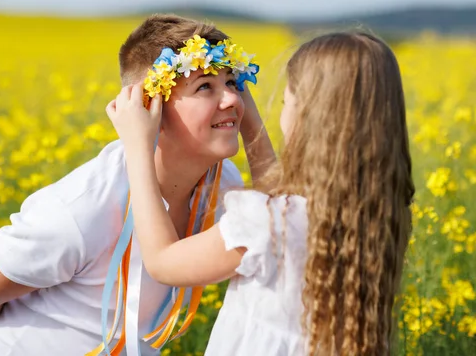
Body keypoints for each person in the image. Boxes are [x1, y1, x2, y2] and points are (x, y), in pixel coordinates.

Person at [0, 14, 265, 355]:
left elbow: (280, 225)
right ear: (150, 106)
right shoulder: (84, 206)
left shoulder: (225, 184)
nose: (234, 100)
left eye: (234, 83)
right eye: (205, 86)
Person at [107, 31, 415, 355]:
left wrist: (138, 147)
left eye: (286, 101)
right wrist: (244, 116)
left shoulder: (267, 222)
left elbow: (163, 262)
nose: (230, 98)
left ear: (308, 118)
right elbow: (281, 200)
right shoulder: (378, 215)